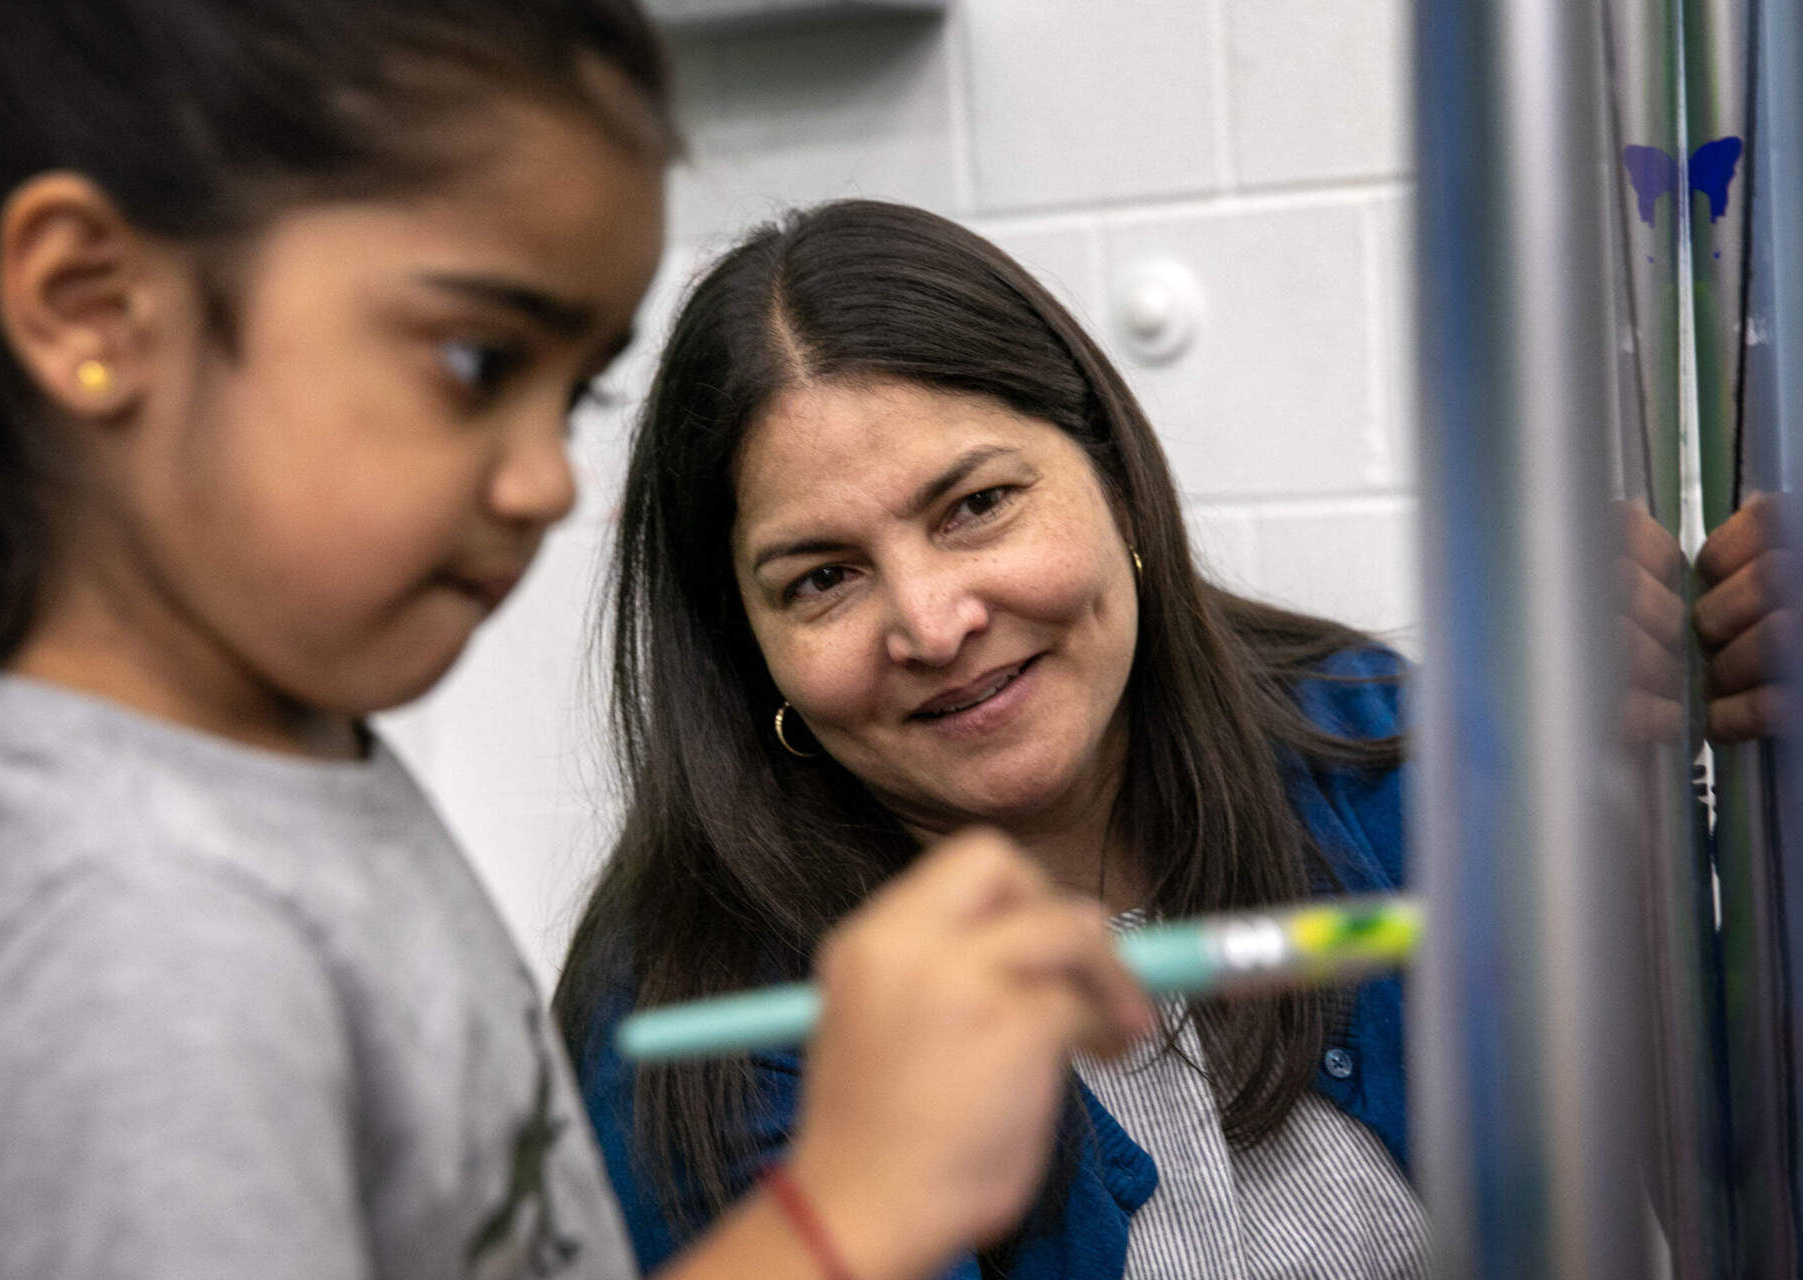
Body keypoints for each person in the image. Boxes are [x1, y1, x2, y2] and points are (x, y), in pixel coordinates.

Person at [0, 6, 1152, 1279]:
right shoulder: (130, 939)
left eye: (575, 388)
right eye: (479, 359)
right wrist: (846, 1210)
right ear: (92, 309)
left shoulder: (292, 779)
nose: (551, 480)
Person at [555, 199, 1429, 1279]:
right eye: (823, 578)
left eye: (975, 505)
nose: (932, 623)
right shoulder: (697, 1015)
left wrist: (1639, 775)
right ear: (749, 649)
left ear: (1113, 477)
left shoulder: (1377, 738)